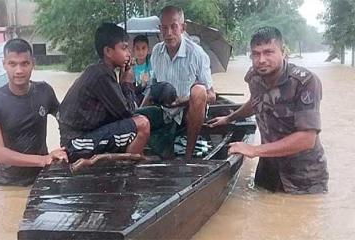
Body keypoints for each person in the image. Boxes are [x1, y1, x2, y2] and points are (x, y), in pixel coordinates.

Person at [207, 27, 328, 194]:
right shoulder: (254, 77)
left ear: (283, 52)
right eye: (256, 54)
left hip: (303, 177)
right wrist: (229, 118)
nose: (261, 60)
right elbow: (255, 101)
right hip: (268, 170)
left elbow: (307, 138)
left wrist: (254, 150)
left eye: (268, 52)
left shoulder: (305, 82)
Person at [0, 38, 68, 186]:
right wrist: (43, 159)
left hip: (42, 179)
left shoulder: (44, 91)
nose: (19, 70)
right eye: (12, 64)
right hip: (8, 185)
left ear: (33, 63)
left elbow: (66, 119)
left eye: (24, 63)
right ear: (4, 65)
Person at [58, 23, 150, 163]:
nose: (128, 54)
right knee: (143, 124)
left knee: (131, 124)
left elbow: (121, 112)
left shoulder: (100, 71)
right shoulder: (101, 75)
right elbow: (131, 112)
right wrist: (126, 82)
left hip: (80, 136)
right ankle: (127, 172)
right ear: (108, 51)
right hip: (76, 143)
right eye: (124, 48)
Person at [140, 6, 216, 160]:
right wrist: (139, 112)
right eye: (164, 28)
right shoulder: (156, 52)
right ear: (159, 29)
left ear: (182, 28)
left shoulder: (197, 53)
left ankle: (188, 156)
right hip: (165, 110)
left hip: (189, 111)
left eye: (174, 27)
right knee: (136, 119)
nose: (169, 33)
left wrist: (184, 99)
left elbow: (212, 95)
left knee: (199, 91)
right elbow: (153, 87)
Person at [132, 35, 152, 105]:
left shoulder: (153, 63)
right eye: (137, 49)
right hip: (138, 97)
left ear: (148, 49)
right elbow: (131, 89)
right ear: (133, 50)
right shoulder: (131, 67)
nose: (141, 52)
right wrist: (142, 85)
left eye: (143, 48)